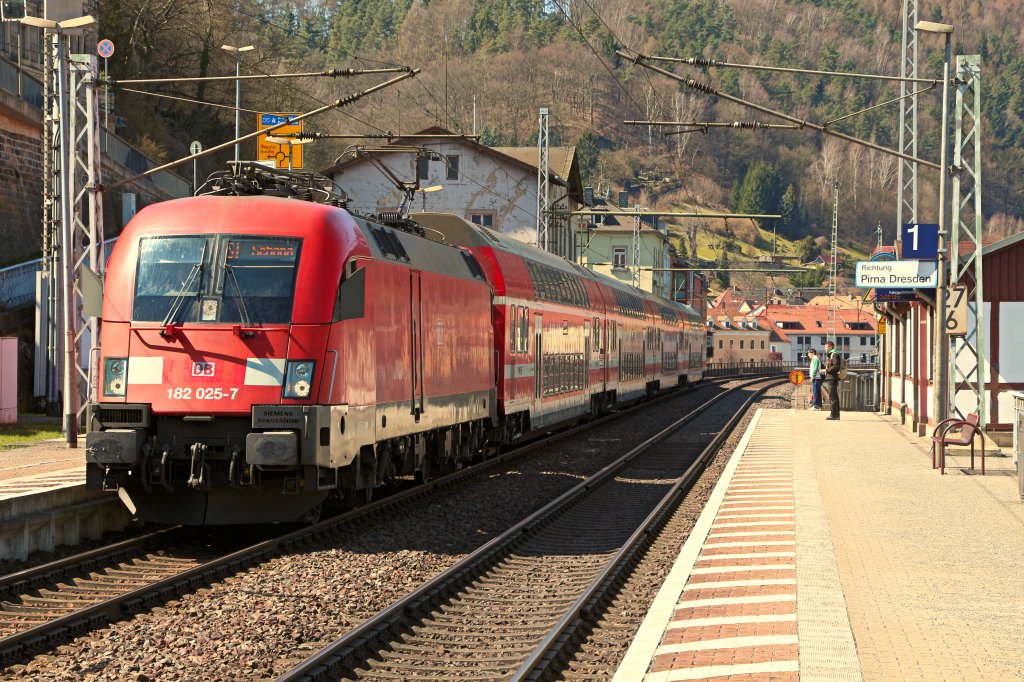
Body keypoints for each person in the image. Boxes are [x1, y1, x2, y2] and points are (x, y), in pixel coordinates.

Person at [823, 340, 841, 420]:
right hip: (831, 378)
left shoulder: (834, 355)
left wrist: (826, 370)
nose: (825, 349)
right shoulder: (833, 354)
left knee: (832, 397)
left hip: (832, 378)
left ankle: (833, 415)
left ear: (830, 347)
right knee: (834, 397)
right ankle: (836, 415)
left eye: (826, 347)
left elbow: (836, 367)